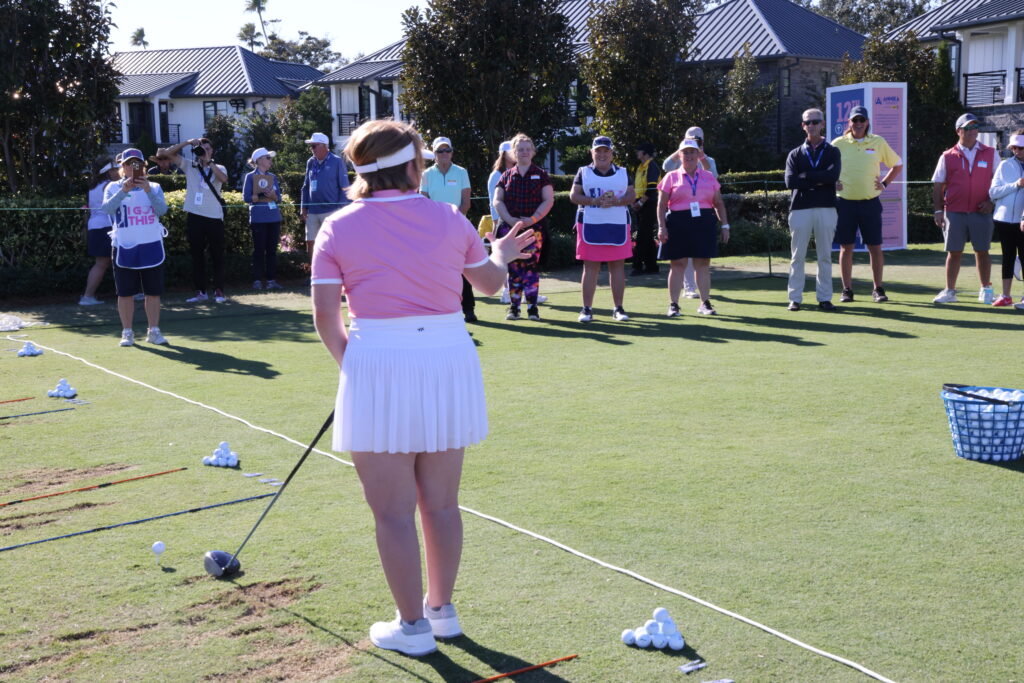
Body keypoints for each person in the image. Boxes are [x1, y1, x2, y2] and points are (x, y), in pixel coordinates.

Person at [310, 120, 535, 657]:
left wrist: (357, 368)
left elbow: (325, 319)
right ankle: (440, 612)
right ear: (413, 166)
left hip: (379, 359)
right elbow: (489, 284)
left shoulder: (338, 226)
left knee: (392, 511)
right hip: (446, 358)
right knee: (441, 504)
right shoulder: (450, 217)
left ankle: (413, 627)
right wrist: (499, 253)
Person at [832, 105, 903, 303]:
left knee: (875, 247)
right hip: (845, 203)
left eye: (861, 120)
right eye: (855, 120)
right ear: (849, 123)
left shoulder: (878, 142)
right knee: (846, 248)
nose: (858, 124)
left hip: (870, 203)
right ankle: (847, 290)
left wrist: (885, 183)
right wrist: (832, 181)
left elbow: (897, 164)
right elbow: (827, 167)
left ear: (867, 122)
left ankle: (878, 289)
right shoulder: (838, 143)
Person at [100, 148, 170, 347]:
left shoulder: (154, 186)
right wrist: (124, 191)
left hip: (151, 244)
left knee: (153, 292)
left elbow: (162, 210)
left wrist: (147, 190)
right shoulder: (113, 187)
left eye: (136, 164)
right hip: (124, 245)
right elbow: (107, 209)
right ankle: (127, 332)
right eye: (128, 164)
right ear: (122, 167)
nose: (132, 167)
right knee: (125, 293)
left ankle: (154, 331)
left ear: (143, 166)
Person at [657, 139, 730, 316]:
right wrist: (662, 227)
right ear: (679, 155)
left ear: (698, 155)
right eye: (685, 152)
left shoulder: (709, 176)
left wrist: (725, 225)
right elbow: (661, 204)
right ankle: (673, 305)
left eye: (692, 152)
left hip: (703, 222)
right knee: (678, 264)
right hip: (678, 222)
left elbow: (718, 203)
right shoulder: (671, 176)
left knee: (703, 263)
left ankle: (705, 303)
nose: (689, 156)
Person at [932, 113, 996, 304]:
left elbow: (998, 182)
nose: (972, 132)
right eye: (967, 128)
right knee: (954, 252)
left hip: (981, 211)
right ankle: (950, 291)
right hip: (954, 211)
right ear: (958, 131)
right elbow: (938, 185)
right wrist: (937, 210)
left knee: (982, 251)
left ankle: (985, 289)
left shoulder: (991, 152)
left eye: (975, 127)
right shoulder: (947, 156)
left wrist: (991, 202)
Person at [570, 136, 635, 322]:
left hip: (618, 223)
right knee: (590, 267)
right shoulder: (583, 172)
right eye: (598, 150)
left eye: (606, 151)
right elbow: (574, 195)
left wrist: (618, 201)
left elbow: (632, 194)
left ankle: (618, 308)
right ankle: (586, 309)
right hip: (590, 223)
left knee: (617, 267)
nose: (602, 154)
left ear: (612, 153)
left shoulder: (623, 172)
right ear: (592, 152)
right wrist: (594, 201)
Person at [157, 136, 229, 303]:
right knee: (197, 256)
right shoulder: (190, 165)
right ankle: (200, 292)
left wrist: (209, 161)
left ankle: (219, 291)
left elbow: (224, 179)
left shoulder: (220, 167)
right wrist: (189, 142)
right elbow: (165, 153)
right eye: (202, 149)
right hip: (195, 216)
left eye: (208, 149)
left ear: (213, 151)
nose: (205, 151)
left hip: (214, 217)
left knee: (217, 255)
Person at [783, 108, 841, 311]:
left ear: (822, 124)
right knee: (797, 256)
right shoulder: (795, 154)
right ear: (803, 126)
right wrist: (819, 177)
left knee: (824, 256)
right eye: (809, 122)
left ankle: (824, 298)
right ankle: (795, 298)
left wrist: (806, 176)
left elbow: (832, 177)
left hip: (826, 208)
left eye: (816, 122)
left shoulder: (833, 151)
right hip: (800, 209)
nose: (812, 125)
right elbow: (790, 181)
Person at [493, 133, 554, 321]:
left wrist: (533, 219)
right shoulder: (505, 176)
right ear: (513, 153)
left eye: (528, 149)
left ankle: (533, 308)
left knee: (531, 269)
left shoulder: (542, 175)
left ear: (533, 152)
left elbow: (548, 200)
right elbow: (497, 201)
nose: (524, 152)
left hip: (534, 231)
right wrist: (510, 220)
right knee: (513, 270)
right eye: (520, 150)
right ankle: (514, 308)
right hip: (509, 231)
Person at [421, 136, 475, 321]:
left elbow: (466, 203)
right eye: (440, 151)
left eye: (447, 150)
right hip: (433, 230)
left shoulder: (461, 172)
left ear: (452, 152)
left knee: (461, 269)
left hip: (457, 226)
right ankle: (440, 310)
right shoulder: (426, 174)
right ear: (434, 154)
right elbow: (423, 203)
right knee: (436, 270)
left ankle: (468, 308)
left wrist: (451, 223)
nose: (444, 154)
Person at [663, 127, 717, 298]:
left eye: (698, 140)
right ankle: (689, 288)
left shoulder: (707, 159)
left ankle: (703, 295)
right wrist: (681, 148)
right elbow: (666, 166)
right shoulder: (681, 157)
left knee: (700, 258)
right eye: (692, 140)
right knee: (683, 257)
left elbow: (712, 175)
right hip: (682, 214)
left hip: (702, 213)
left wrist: (701, 154)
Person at [987, 129, 1024, 307]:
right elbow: (993, 193)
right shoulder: (1004, 165)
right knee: (1008, 256)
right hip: (1004, 220)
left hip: (1023, 221)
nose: (1017, 151)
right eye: (1014, 147)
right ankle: (1006, 295)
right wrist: (1015, 184)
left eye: (1021, 148)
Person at [300, 132, 351, 254]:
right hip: (312, 211)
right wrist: (303, 207)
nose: (311, 149)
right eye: (311, 146)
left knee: (332, 243)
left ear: (324, 146)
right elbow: (306, 186)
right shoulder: (311, 162)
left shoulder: (337, 161)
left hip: (331, 210)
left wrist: (340, 209)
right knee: (310, 242)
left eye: (314, 146)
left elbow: (344, 187)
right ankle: (314, 271)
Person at [79, 158, 120, 306]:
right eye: (115, 169)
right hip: (106, 228)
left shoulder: (92, 186)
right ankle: (87, 296)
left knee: (112, 262)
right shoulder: (109, 186)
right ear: (108, 171)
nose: (118, 172)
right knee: (105, 263)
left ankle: (131, 293)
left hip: (96, 227)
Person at [243, 147, 284, 291]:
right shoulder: (250, 176)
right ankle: (257, 281)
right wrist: (261, 196)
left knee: (272, 250)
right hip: (258, 219)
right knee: (259, 250)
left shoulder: (272, 176)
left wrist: (273, 195)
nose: (270, 160)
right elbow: (247, 198)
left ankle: (272, 280)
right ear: (259, 160)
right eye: (268, 158)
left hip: (274, 217)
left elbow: (278, 198)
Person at [484, 141, 515, 304]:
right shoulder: (496, 175)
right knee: (503, 258)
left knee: (520, 258)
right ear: (504, 154)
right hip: (502, 222)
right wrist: (497, 222)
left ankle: (526, 291)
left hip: (516, 222)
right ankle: (506, 291)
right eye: (512, 152)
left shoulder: (517, 171)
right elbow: (493, 201)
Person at [631, 142, 660, 276]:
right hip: (641, 204)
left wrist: (640, 203)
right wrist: (634, 202)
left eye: (639, 150)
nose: (637, 152)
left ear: (645, 153)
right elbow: (637, 188)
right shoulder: (640, 167)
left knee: (642, 236)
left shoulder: (652, 166)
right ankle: (652, 266)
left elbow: (651, 189)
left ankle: (637, 266)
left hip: (649, 204)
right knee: (647, 236)